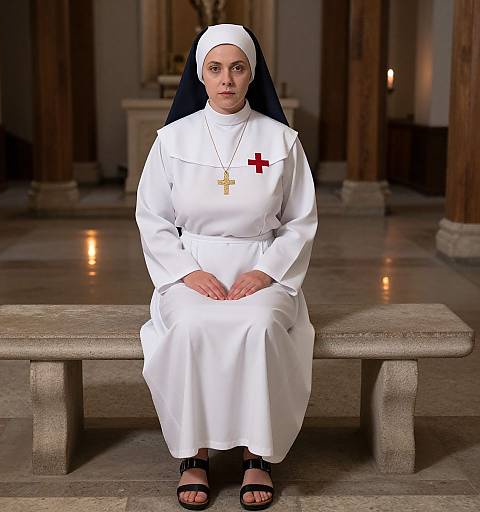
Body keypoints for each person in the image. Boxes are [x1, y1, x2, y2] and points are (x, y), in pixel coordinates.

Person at [135, 23, 318, 510]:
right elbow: (152, 217)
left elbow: (300, 221)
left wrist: (267, 271)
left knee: (258, 326)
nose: (227, 79)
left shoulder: (281, 141)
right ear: (201, 74)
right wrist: (184, 273)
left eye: (237, 68)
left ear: (251, 73)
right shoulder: (173, 140)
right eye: (215, 69)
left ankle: (257, 454)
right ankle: (192, 455)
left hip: (262, 266)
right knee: (192, 325)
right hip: (190, 268)